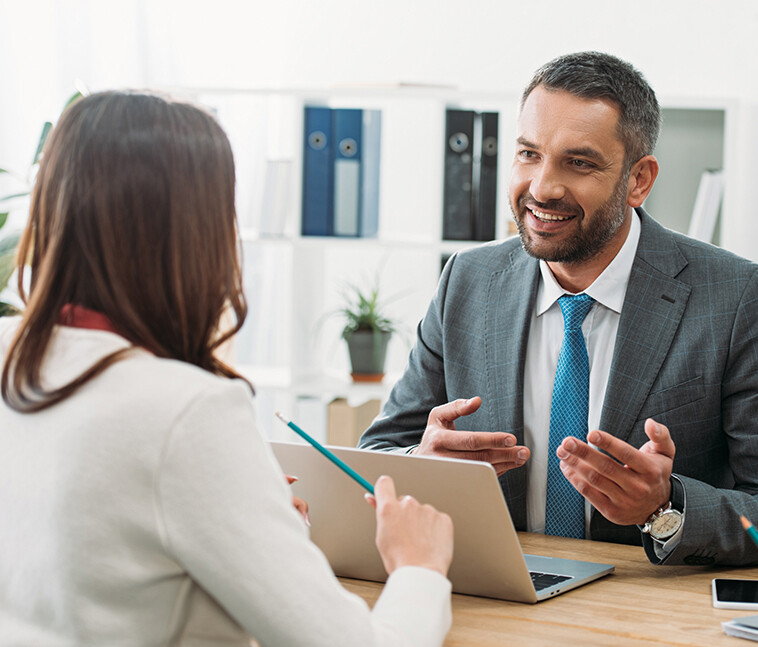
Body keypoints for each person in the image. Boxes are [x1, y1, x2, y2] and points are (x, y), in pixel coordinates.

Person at [0, 91, 454, 646]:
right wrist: (420, 567)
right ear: (199, 233)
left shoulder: (12, 354)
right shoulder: (185, 409)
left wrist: (254, 525)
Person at [359, 51, 758, 567]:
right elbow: (380, 453)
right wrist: (421, 464)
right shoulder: (466, 280)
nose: (542, 187)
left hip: (645, 617)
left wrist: (667, 508)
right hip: (500, 600)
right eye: (528, 154)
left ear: (639, 180)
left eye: (580, 162)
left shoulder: (735, 296)